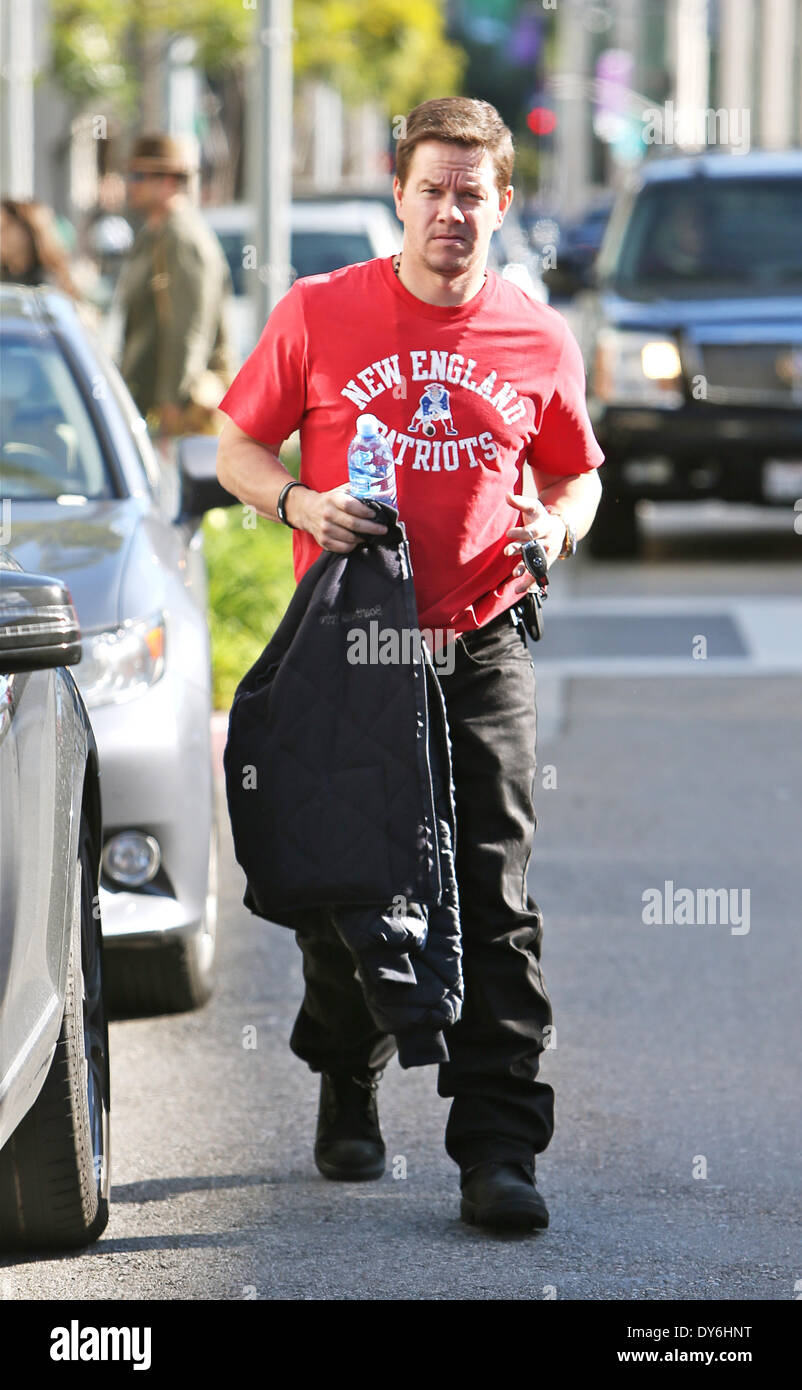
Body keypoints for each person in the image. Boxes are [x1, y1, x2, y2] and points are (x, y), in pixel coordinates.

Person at [216, 97, 604, 1233]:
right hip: (350, 645)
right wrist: (295, 498)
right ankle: (349, 1062)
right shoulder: (319, 312)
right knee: (353, 885)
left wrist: (556, 524)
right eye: (431, 189)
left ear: (501, 204)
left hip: (479, 638)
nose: (449, 211)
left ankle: (495, 1147)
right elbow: (237, 443)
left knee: (493, 892)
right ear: (399, 194)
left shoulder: (538, 335)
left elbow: (578, 470)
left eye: (470, 193)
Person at [117, 134, 234, 437]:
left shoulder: (182, 237)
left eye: (139, 175)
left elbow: (189, 326)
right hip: (147, 399)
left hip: (176, 410)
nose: (131, 184)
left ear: (169, 180)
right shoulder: (153, 234)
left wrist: (172, 400)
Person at [1, 198, 82, 297]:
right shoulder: (5, 277)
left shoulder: (48, 285)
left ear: (28, 231)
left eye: (6, 227)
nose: (2, 235)